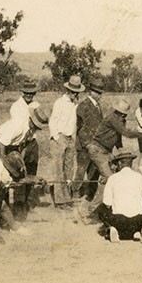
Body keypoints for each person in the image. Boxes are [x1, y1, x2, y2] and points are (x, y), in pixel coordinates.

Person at [0, 104, 48, 214]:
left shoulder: (31, 129)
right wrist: (2, 160)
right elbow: (1, 143)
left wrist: (21, 164)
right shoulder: (18, 125)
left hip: (12, 147)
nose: (36, 128)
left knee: (18, 177)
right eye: (35, 125)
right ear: (31, 119)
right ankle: (2, 210)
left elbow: (23, 145)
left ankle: (15, 209)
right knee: (4, 178)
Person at [94, 150, 142, 242]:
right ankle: (137, 230)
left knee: (101, 208)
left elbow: (107, 202)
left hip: (119, 220)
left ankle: (114, 229)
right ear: (131, 164)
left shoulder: (113, 178)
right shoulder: (140, 177)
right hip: (137, 219)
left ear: (119, 164)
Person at [48, 75, 84, 208]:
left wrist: (72, 138)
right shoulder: (59, 103)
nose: (75, 94)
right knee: (58, 170)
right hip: (59, 137)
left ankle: (67, 197)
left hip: (70, 138)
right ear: (68, 90)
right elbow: (53, 121)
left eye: (77, 92)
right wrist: (57, 138)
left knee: (69, 168)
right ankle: (60, 200)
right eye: (73, 91)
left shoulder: (76, 104)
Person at [74, 77, 105, 210]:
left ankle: (89, 198)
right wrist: (87, 145)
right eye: (97, 92)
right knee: (81, 171)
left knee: (94, 173)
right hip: (84, 147)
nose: (99, 95)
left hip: (96, 146)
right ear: (91, 91)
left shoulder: (98, 106)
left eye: (100, 93)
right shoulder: (83, 105)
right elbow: (80, 128)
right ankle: (75, 196)